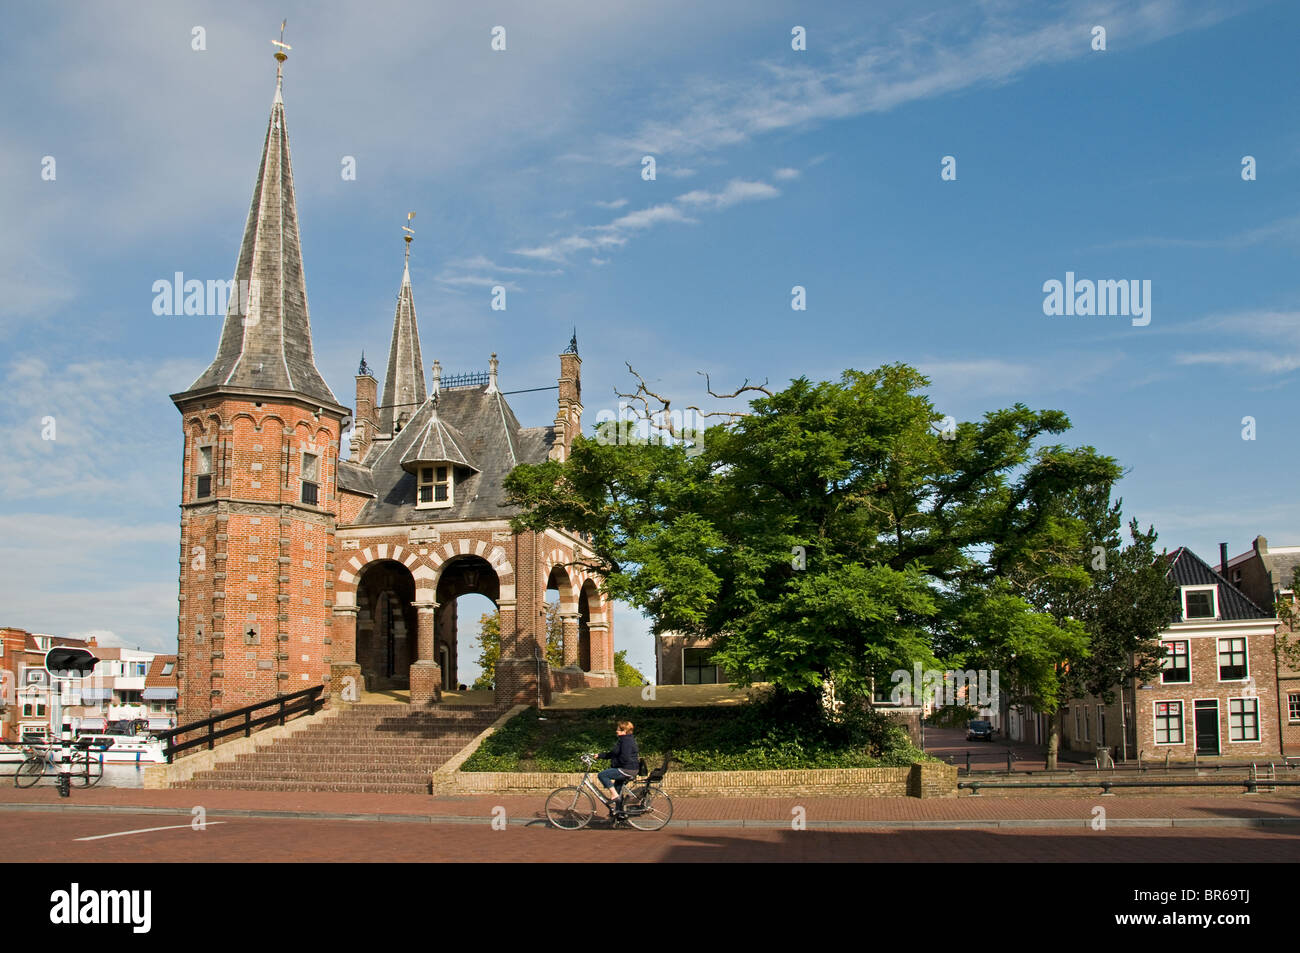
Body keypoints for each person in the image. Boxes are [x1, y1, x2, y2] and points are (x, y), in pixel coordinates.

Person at [595, 719, 639, 816]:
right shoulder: (624, 740)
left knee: (602, 775)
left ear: (624, 731)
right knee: (617, 787)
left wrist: (615, 766)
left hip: (627, 769)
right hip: (628, 768)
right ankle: (619, 814)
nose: (616, 731)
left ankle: (614, 795)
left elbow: (624, 758)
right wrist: (600, 755)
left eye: (618, 729)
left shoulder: (626, 741)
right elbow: (614, 754)